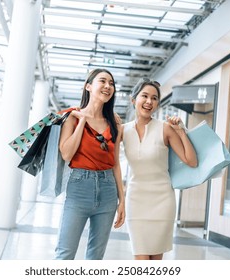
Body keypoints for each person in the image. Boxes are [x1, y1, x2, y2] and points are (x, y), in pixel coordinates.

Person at [121, 78, 197, 260]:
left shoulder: (165, 129)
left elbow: (191, 161)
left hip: (162, 201)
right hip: (136, 200)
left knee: (155, 262)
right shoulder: (122, 130)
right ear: (134, 100)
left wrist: (180, 131)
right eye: (144, 96)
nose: (149, 101)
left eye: (154, 98)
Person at [54, 68, 125, 260]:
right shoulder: (72, 117)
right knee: (64, 253)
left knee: (95, 257)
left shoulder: (115, 123)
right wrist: (83, 121)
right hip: (79, 188)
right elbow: (67, 153)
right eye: (102, 81)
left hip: (108, 190)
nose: (108, 86)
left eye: (111, 84)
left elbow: (116, 164)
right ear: (88, 86)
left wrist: (122, 201)